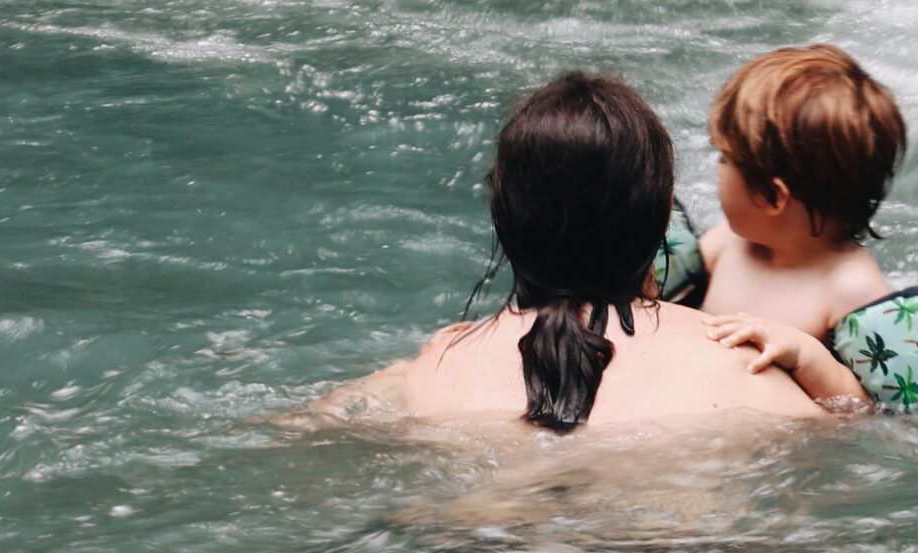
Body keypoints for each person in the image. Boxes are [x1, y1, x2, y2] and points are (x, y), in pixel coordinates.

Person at [307, 70, 864, 435]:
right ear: (663, 217)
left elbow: (316, 423)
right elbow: (860, 434)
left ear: (503, 218)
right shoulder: (751, 372)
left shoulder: (433, 369)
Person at [696, 44, 905, 342]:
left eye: (725, 159)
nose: (717, 169)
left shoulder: (851, 289)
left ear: (772, 196)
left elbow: (868, 388)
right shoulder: (729, 243)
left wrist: (803, 355)